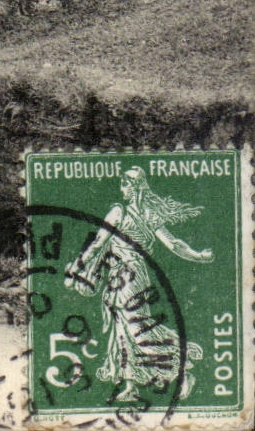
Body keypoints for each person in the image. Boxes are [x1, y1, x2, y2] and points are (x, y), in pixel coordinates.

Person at [63, 167, 212, 403]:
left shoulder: (118, 212)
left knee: (136, 328)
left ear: (134, 188)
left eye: (124, 185)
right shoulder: (147, 214)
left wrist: (77, 265)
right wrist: (197, 255)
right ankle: (130, 385)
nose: (121, 189)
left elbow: (97, 243)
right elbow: (174, 244)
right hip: (126, 276)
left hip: (128, 277)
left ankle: (182, 371)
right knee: (122, 330)